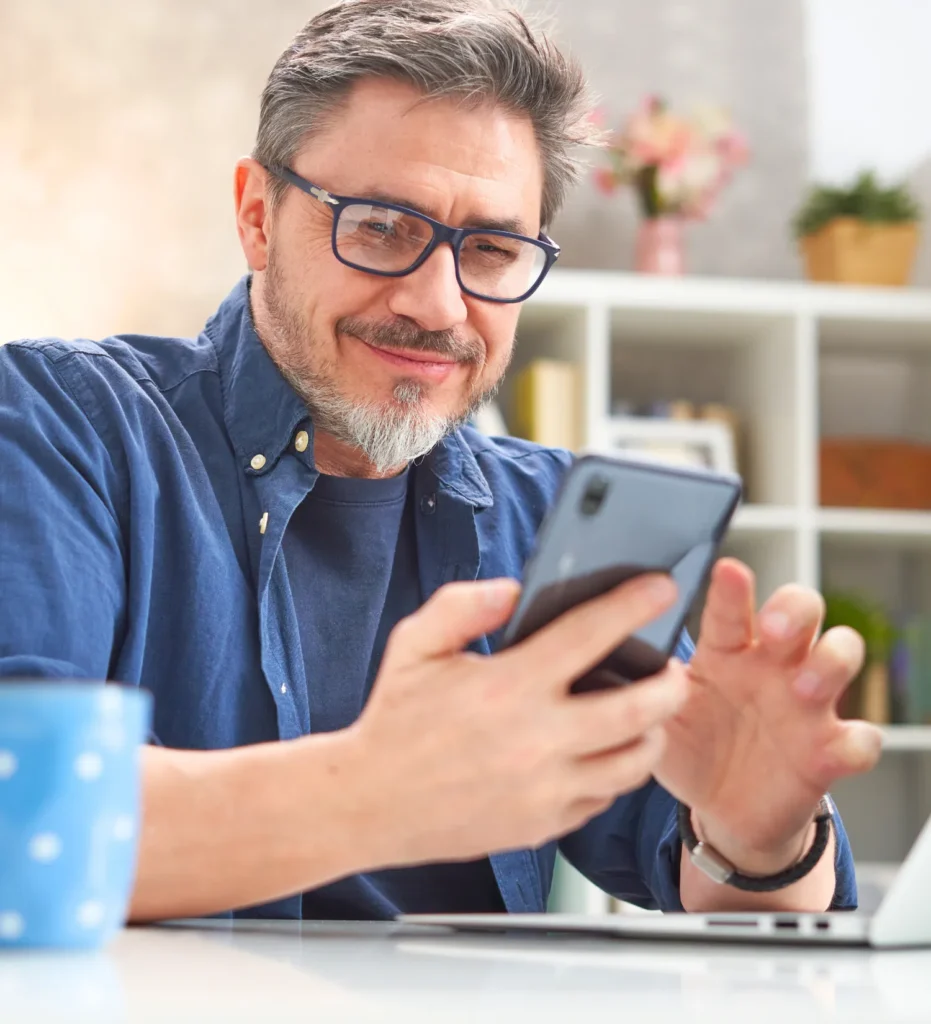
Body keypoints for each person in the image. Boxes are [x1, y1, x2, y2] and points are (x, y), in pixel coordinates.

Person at [0, 0, 880, 923]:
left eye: (493, 250)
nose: (438, 304)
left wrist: (758, 835)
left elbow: (742, 903)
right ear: (258, 217)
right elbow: (21, 825)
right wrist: (380, 791)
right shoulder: (64, 428)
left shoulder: (548, 515)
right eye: (380, 227)